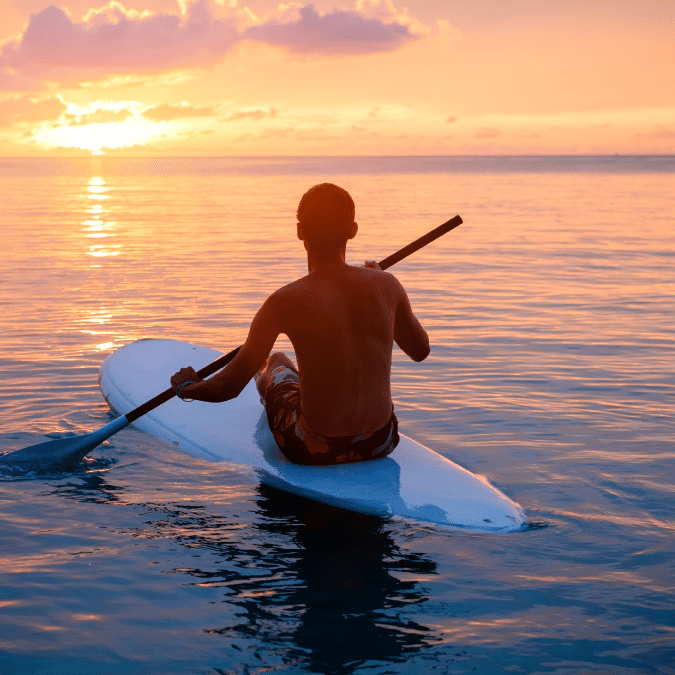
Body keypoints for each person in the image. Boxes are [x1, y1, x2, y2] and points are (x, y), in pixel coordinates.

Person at [170, 183, 430, 465]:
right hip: (382, 440)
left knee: (274, 361)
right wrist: (385, 291)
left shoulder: (284, 301)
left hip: (311, 448)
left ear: (300, 231)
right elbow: (420, 350)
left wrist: (186, 388)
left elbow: (227, 388)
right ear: (352, 230)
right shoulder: (387, 285)